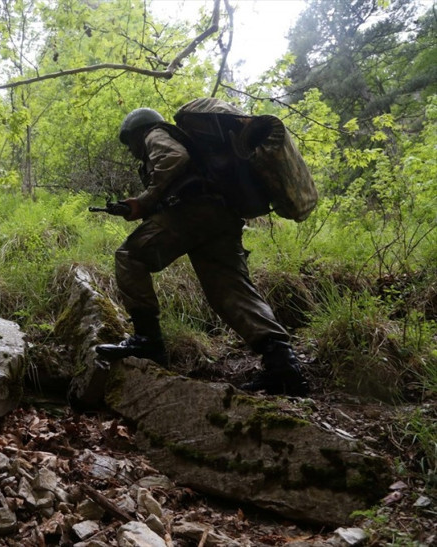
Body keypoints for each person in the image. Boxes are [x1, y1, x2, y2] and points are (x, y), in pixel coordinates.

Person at [94, 107, 309, 397]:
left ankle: (147, 341)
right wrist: (140, 206)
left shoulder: (154, 133)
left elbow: (175, 158)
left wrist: (145, 200)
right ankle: (284, 365)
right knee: (232, 292)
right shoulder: (187, 144)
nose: (132, 150)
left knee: (130, 257)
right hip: (221, 217)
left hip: (192, 213)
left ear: (138, 131)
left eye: (129, 141)